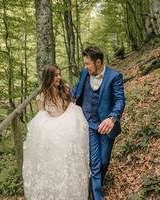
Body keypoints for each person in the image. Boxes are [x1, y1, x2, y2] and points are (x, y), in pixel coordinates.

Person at [22, 64, 90, 200]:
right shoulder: (42, 96)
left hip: (68, 127)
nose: (59, 77)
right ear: (49, 77)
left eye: (59, 74)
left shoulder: (64, 90)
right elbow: (41, 117)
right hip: (52, 132)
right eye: (56, 75)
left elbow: (71, 105)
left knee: (70, 161)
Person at [73, 46, 125, 200]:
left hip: (106, 126)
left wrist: (112, 118)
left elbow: (120, 100)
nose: (85, 67)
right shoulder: (84, 74)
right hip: (89, 123)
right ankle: (97, 195)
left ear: (98, 62)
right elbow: (76, 90)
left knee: (103, 162)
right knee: (95, 164)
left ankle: (95, 184)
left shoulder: (114, 76)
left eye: (87, 64)